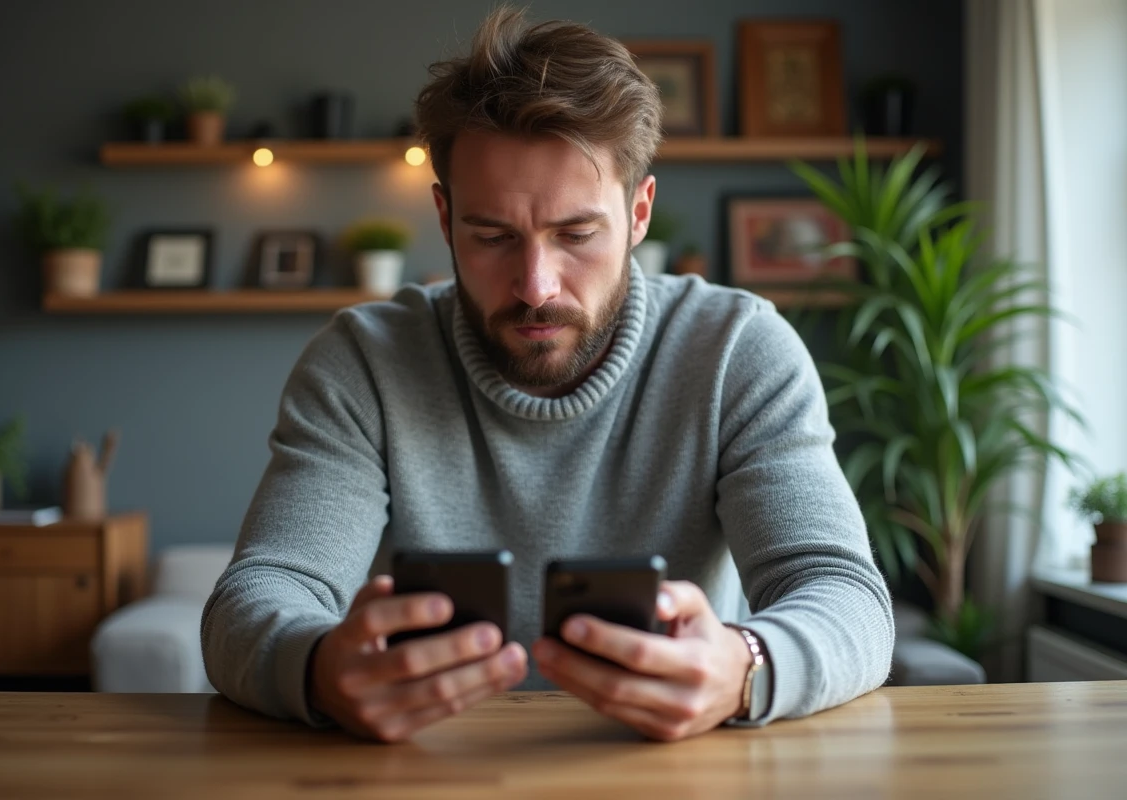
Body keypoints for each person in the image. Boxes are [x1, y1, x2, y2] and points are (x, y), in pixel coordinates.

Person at [201, 7, 894, 744]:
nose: (536, 285)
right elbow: (256, 597)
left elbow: (844, 596)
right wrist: (315, 670)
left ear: (639, 212)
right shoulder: (363, 363)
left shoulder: (737, 351)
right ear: (444, 217)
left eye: (576, 235)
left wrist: (747, 663)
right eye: (493, 236)